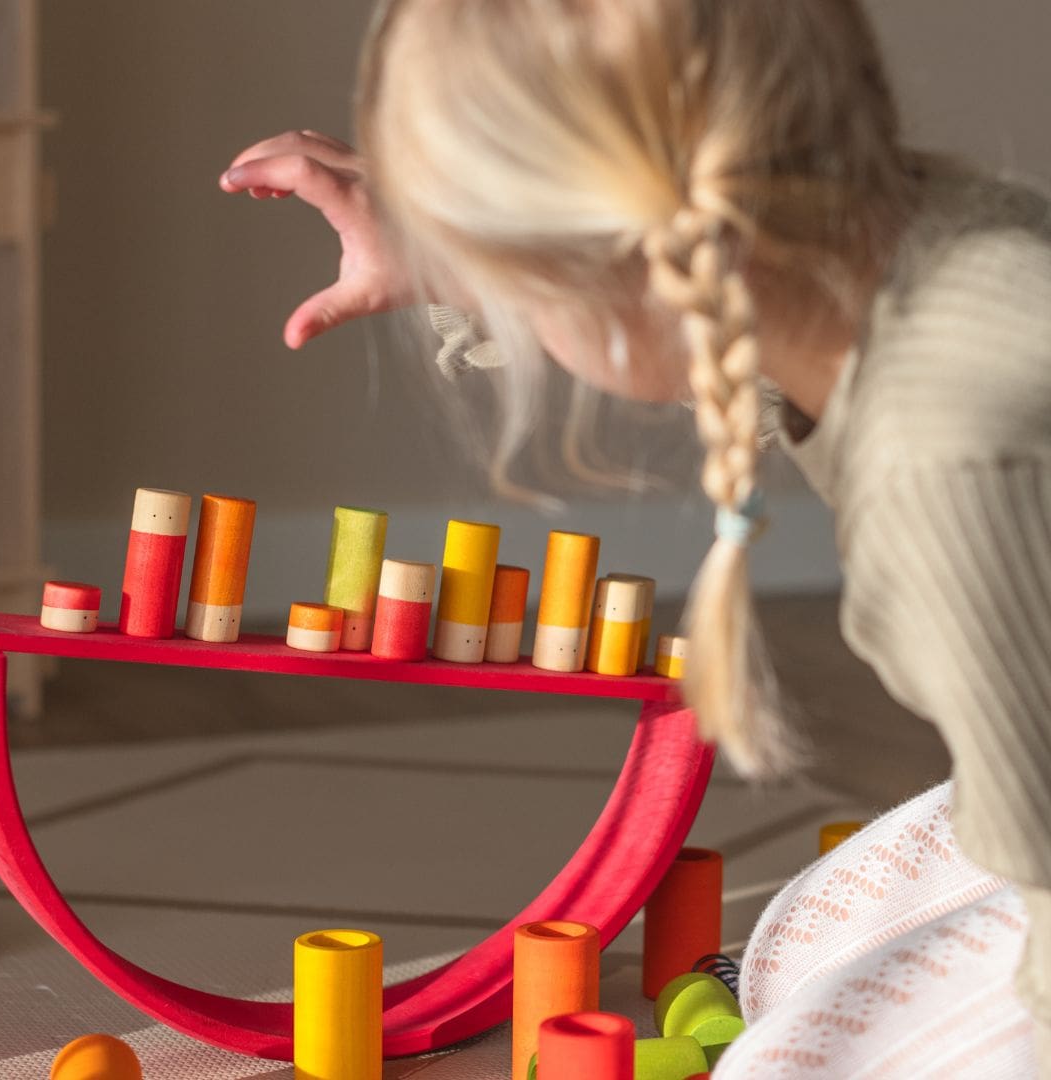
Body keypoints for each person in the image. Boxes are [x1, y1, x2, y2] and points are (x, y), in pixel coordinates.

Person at [219, 1, 1050, 1073]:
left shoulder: (949, 464)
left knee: (780, 1060)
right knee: (804, 941)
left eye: (522, 284)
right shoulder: (927, 232)